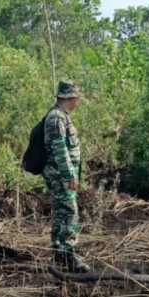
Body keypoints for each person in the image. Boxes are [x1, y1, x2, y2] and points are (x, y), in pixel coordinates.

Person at [43, 80, 90, 272]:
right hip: (60, 175)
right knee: (70, 212)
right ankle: (68, 254)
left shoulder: (61, 116)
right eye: (76, 98)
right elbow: (60, 150)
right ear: (69, 98)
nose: (77, 102)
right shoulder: (56, 118)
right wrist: (69, 175)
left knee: (62, 212)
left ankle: (59, 252)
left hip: (61, 174)